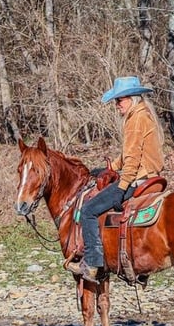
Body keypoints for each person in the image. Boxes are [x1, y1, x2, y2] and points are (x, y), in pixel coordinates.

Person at [66, 76, 165, 282]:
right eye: (116, 101)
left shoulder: (135, 119)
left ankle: (93, 263)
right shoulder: (143, 114)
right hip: (151, 175)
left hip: (138, 178)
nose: (117, 105)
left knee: (88, 211)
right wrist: (111, 167)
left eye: (119, 100)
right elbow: (130, 153)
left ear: (131, 98)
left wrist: (121, 185)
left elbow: (133, 159)